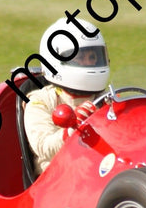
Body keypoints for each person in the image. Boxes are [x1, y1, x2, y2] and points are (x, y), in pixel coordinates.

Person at [23, 18, 110, 175]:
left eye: (92, 58)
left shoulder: (105, 99)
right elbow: (44, 146)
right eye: (80, 58)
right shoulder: (39, 101)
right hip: (56, 180)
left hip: (99, 169)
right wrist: (72, 128)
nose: (88, 63)